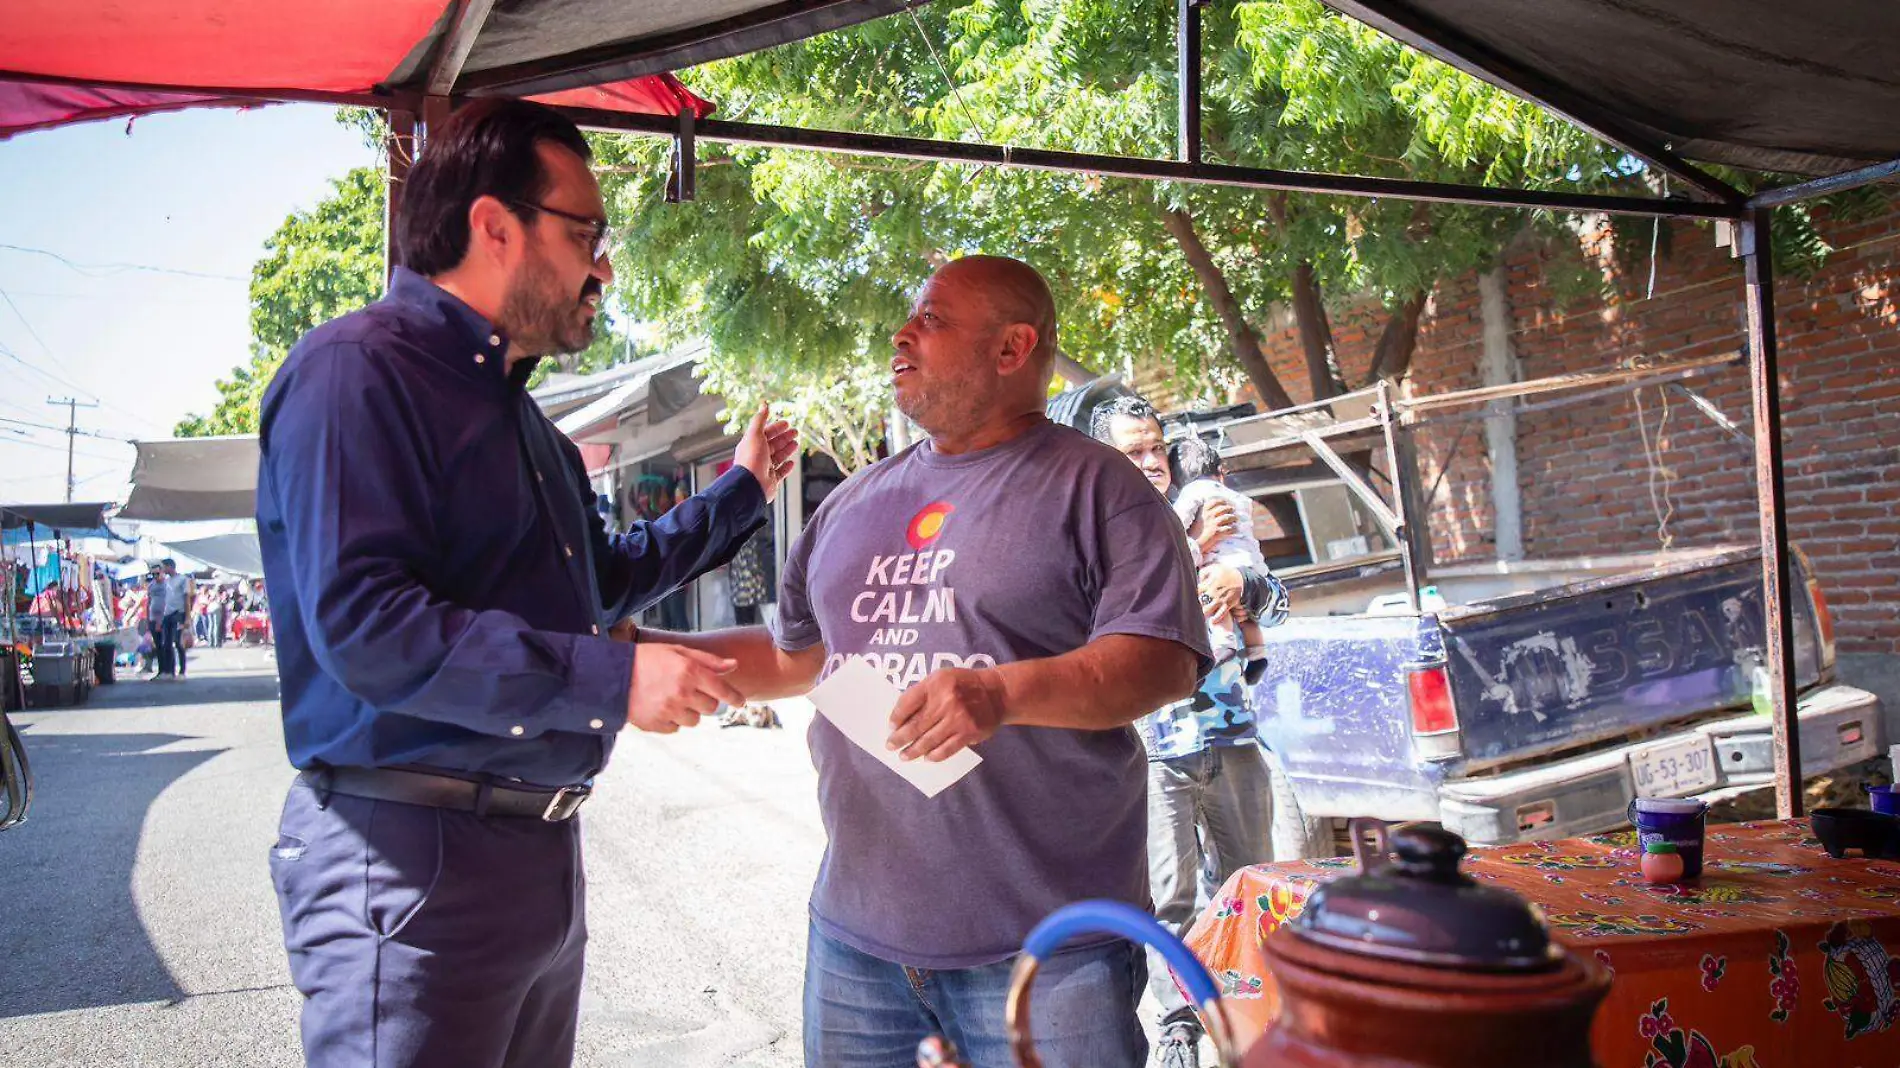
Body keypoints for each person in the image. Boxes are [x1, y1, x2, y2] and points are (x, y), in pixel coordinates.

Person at [255, 98, 798, 1068]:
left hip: (537, 860)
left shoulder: (526, 427)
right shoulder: (355, 373)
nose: (604, 266)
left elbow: (600, 581)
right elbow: (370, 628)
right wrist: (613, 682)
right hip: (408, 858)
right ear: (493, 225)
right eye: (585, 231)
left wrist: (742, 489)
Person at [629, 256, 1210, 1067]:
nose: (901, 335)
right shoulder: (853, 502)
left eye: (932, 319)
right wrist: (633, 655)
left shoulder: (1100, 488)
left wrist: (1001, 693)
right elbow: (802, 662)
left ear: (1012, 349)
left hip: (1049, 950)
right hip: (856, 945)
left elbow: (1162, 662)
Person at [1089, 395, 1290, 1068]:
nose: (1149, 462)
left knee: (1246, 887)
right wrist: (1188, 550)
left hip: (1231, 736)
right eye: (1132, 451)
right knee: (1167, 898)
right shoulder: (1092, 529)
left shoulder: (1208, 501)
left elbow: (1277, 599)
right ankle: (1178, 1026)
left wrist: (1242, 579)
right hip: (1151, 750)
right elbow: (1100, 617)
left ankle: (1246, 1017)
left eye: (1154, 447)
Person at [1168, 433, 1271, 671]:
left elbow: (1175, 526)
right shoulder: (1237, 497)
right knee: (1247, 615)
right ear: (1220, 472)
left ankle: (1224, 643)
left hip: (1219, 564)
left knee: (1213, 596)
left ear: (1177, 481)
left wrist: (1190, 538)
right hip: (1251, 563)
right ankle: (1258, 653)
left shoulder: (1192, 493)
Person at [150, 558, 191, 680]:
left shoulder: (183, 579)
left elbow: (187, 598)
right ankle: (169, 671)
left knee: (178, 642)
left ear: (170, 567)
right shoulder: (167, 581)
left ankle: (182, 671)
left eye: (164, 567)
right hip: (167, 615)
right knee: (166, 643)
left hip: (178, 613)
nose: (162, 570)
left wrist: (187, 617)